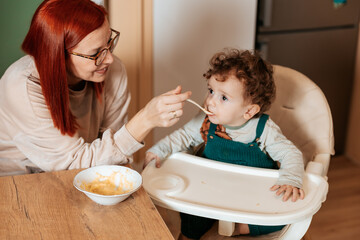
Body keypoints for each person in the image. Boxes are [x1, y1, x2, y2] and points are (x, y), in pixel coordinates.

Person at [0, 0, 191, 176]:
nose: (108, 59)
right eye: (95, 54)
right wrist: (145, 119)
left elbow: (114, 154)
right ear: (58, 56)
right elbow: (72, 164)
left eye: (109, 42)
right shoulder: (22, 87)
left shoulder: (113, 71)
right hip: (18, 183)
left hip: (84, 174)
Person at [144, 49, 305, 239]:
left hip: (252, 194)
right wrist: (158, 151)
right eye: (211, 91)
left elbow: (291, 154)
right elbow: (182, 137)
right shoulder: (206, 121)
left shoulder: (264, 130)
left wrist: (290, 179)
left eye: (223, 97)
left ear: (249, 111)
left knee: (283, 216)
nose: (210, 101)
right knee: (192, 214)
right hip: (209, 189)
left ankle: (240, 228)